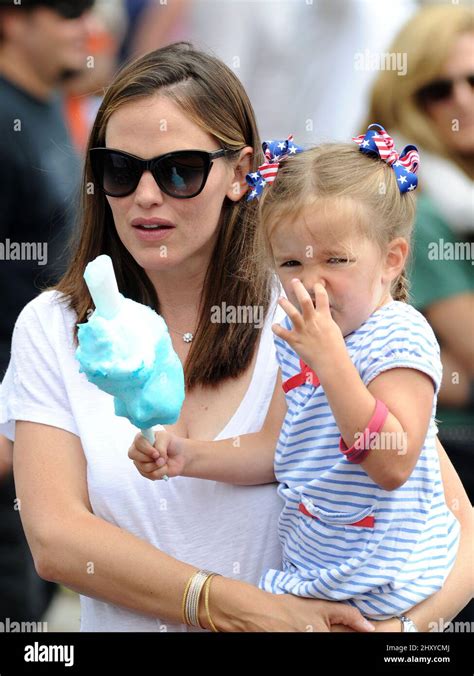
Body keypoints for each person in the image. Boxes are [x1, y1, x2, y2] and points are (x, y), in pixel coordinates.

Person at [0, 44, 472, 632]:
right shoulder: (52, 326)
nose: (146, 195)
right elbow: (56, 540)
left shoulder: (317, 308)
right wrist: (234, 606)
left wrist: (403, 636)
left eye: (179, 170)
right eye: (120, 169)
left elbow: (454, 519)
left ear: (241, 174)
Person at [129, 126, 462, 623]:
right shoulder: (294, 332)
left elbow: (392, 463)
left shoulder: (400, 336)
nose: (310, 280)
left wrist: (331, 363)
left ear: (391, 259)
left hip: (393, 586)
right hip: (312, 583)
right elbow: (280, 450)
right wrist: (189, 456)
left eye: (336, 260)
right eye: (290, 262)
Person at [0, 0, 94, 624]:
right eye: (65, 10)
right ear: (12, 18)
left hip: (39, 419)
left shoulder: (44, 108)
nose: (85, 25)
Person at [364, 4, 474, 516]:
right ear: (408, 101)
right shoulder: (421, 211)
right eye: (439, 89)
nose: (462, 101)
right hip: (451, 465)